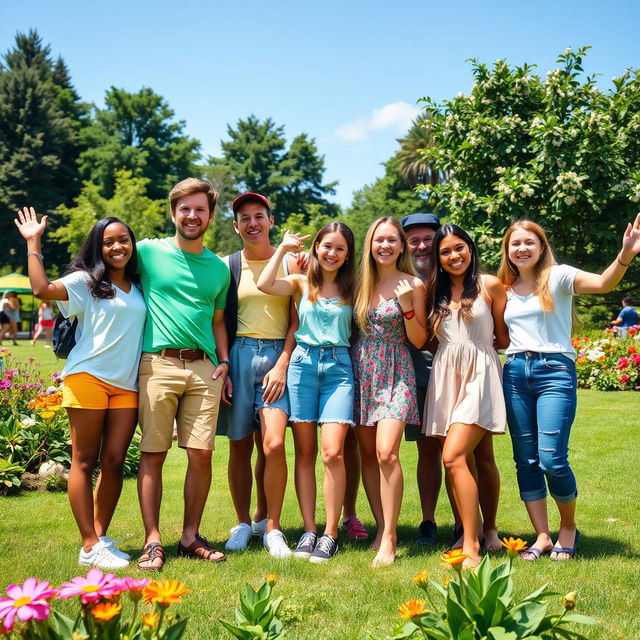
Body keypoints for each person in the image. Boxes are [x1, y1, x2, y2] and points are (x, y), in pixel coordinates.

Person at [498, 215, 640, 561]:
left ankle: (568, 528)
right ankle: (542, 536)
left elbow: (605, 283)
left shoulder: (558, 276)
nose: (522, 248)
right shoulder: (504, 289)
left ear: (541, 246)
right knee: (526, 460)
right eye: (515, 243)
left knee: (552, 459)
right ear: (507, 250)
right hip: (515, 372)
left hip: (554, 371)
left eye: (529, 242)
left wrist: (626, 253)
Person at [15, 208, 146, 569]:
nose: (118, 246)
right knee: (84, 461)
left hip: (127, 385)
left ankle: (99, 538)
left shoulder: (139, 284)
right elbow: (41, 289)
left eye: (123, 240)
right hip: (87, 377)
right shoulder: (84, 281)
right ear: (97, 247)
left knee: (115, 461)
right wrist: (33, 243)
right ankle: (88, 544)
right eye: (109, 242)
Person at [136, 177, 230, 570]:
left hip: (205, 370)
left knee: (201, 454)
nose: (193, 216)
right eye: (186, 209)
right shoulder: (146, 252)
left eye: (200, 210)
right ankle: (152, 540)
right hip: (158, 364)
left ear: (210, 215)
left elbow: (219, 320)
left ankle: (190, 536)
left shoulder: (219, 268)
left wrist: (223, 361)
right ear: (173, 212)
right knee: (153, 454)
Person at [258, 222, 356, 562]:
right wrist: (283, 249)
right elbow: (265, 283)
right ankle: (309, 529)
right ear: (316, 248)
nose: (332, 253)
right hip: (302, 366)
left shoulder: (354, 287)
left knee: (333, 453)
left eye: (339, 248)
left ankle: (330, 533)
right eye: (326, 246)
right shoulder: (301, 283)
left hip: (340, 370)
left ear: (347, 255)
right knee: (304, 452)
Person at [219, 192, 302, 558]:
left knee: (272, 445)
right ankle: (243, 523)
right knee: (239, 445)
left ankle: (272, 527)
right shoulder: (227, 265)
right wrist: (224, 365)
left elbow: (300, 318)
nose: (252, 223)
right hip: (238, 354)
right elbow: (218, 320)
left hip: (278, 357)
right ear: (236, 226)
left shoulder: (291, 263)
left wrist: (283, 362)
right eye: (245, 218)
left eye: (259, 216)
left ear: (271, 221)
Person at [423, 225, 509, 568]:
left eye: (459, 248)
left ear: (470, 249)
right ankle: (485, 531)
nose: (453, 256)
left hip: (480, 374)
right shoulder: (434, 292)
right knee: (480, 456)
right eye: (445, 252)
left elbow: (501, 334)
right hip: (446, 376)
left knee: (454, 456)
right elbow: (430, 340)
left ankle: (473, 543)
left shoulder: (490, 285)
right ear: (438, 259)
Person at [352, 216, 426, 567]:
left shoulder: (413, 283)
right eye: (379, 240)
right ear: (371, 244)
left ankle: (392, 537)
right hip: (361, 370)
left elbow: (419, 339)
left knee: (386, 454)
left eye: (392, 240)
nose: (385, 246)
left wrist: (409, 304)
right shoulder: (359, 284)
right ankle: (381, 529)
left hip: (397, 371)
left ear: (402, 245)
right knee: (367, 455)